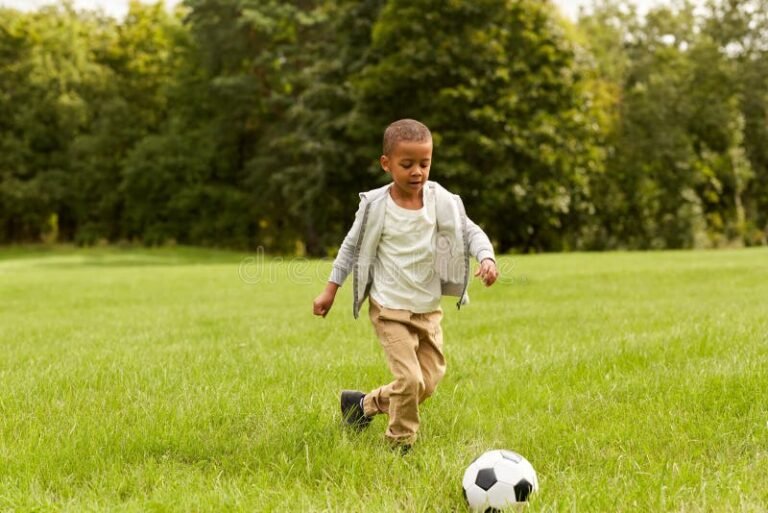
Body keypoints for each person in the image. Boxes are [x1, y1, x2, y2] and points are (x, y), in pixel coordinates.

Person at [312, 118, 498, 451]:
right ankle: (400, 442)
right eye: (407, 164)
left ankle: (363, 405)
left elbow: (470, 231)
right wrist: (330, 289)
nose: (417, 171)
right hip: (389, 307)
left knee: (426, 383)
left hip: (428, 308)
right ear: (386, 164)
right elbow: (351, 247)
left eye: (424, 163)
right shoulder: (376, 206)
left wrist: (486, 258)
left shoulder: (441, 201)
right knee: (409, 380)